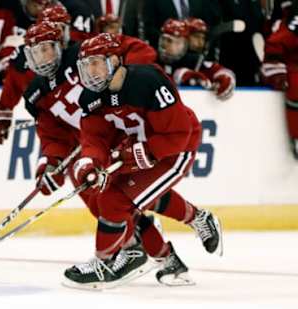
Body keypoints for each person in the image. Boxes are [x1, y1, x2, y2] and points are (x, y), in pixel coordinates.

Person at [22, 23, 199, 289]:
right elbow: (55, 136)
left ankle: (115, 258)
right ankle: (164, 259)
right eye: (35, 53)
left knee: (121, 201)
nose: (43, 58)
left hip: (129, 139)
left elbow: (140, 54)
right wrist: (51, 163)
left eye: (46, 49)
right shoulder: (37, 94)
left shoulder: (84, 53)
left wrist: (124, 83)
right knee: (112, 206)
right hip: (92, 148)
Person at [64, 33, 224, 288]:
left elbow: (178, 133)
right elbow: (96, 140)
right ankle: (190, 228)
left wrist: (139, 153)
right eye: (86, 66)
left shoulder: (149, 81)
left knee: (116, 198)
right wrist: (92, 163)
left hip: (174, 149)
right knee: (134, 194)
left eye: (96, 63)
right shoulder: (90, 99)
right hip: (136, 148)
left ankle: (105, 260)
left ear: (115, 61)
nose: (90, 72)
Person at [0, 3, 93, 145]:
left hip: (94, 129)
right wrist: (1, 114)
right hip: (58, 133)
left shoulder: (81, 54)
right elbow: (12, 88)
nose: (56, 35)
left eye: (60, 28)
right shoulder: (22, 58)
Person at [158, 18, 236, 101]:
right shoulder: (154, 58)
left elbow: (216, 69)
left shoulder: (194, 60)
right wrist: (181, 75)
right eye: (196, 37)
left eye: (177, 42)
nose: (200, 42)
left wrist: (225, 76)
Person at [261, 1, 298, 159]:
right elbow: (277, 44)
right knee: (296, 81)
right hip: (291, 68)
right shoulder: (293, 21)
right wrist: (274, 63)